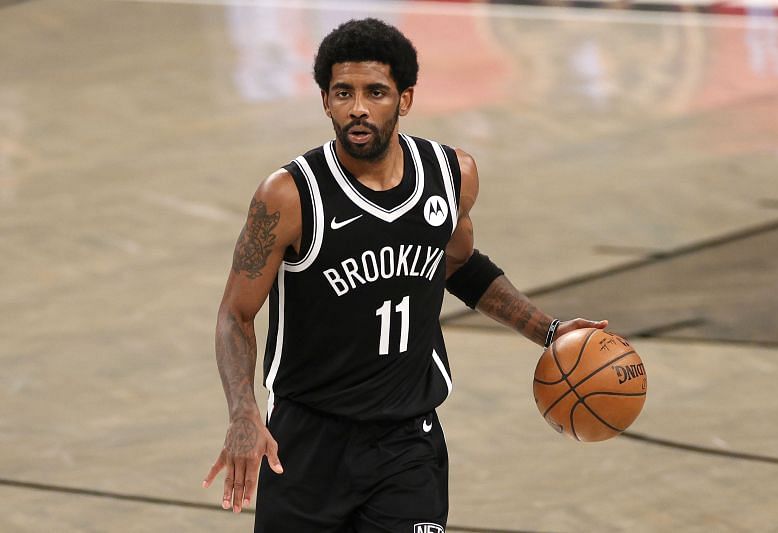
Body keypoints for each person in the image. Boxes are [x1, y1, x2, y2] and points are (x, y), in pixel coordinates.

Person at [203, 18, 607, 532]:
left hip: (407, 446)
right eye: (342, 92)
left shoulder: (450, 175)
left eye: (376, 92)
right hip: (307, 443)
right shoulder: (289, 196)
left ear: (405, 99)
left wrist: (548, 331)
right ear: (324, 100)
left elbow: (458, 264)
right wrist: (243, 413)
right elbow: (235, 313)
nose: (358, 108)